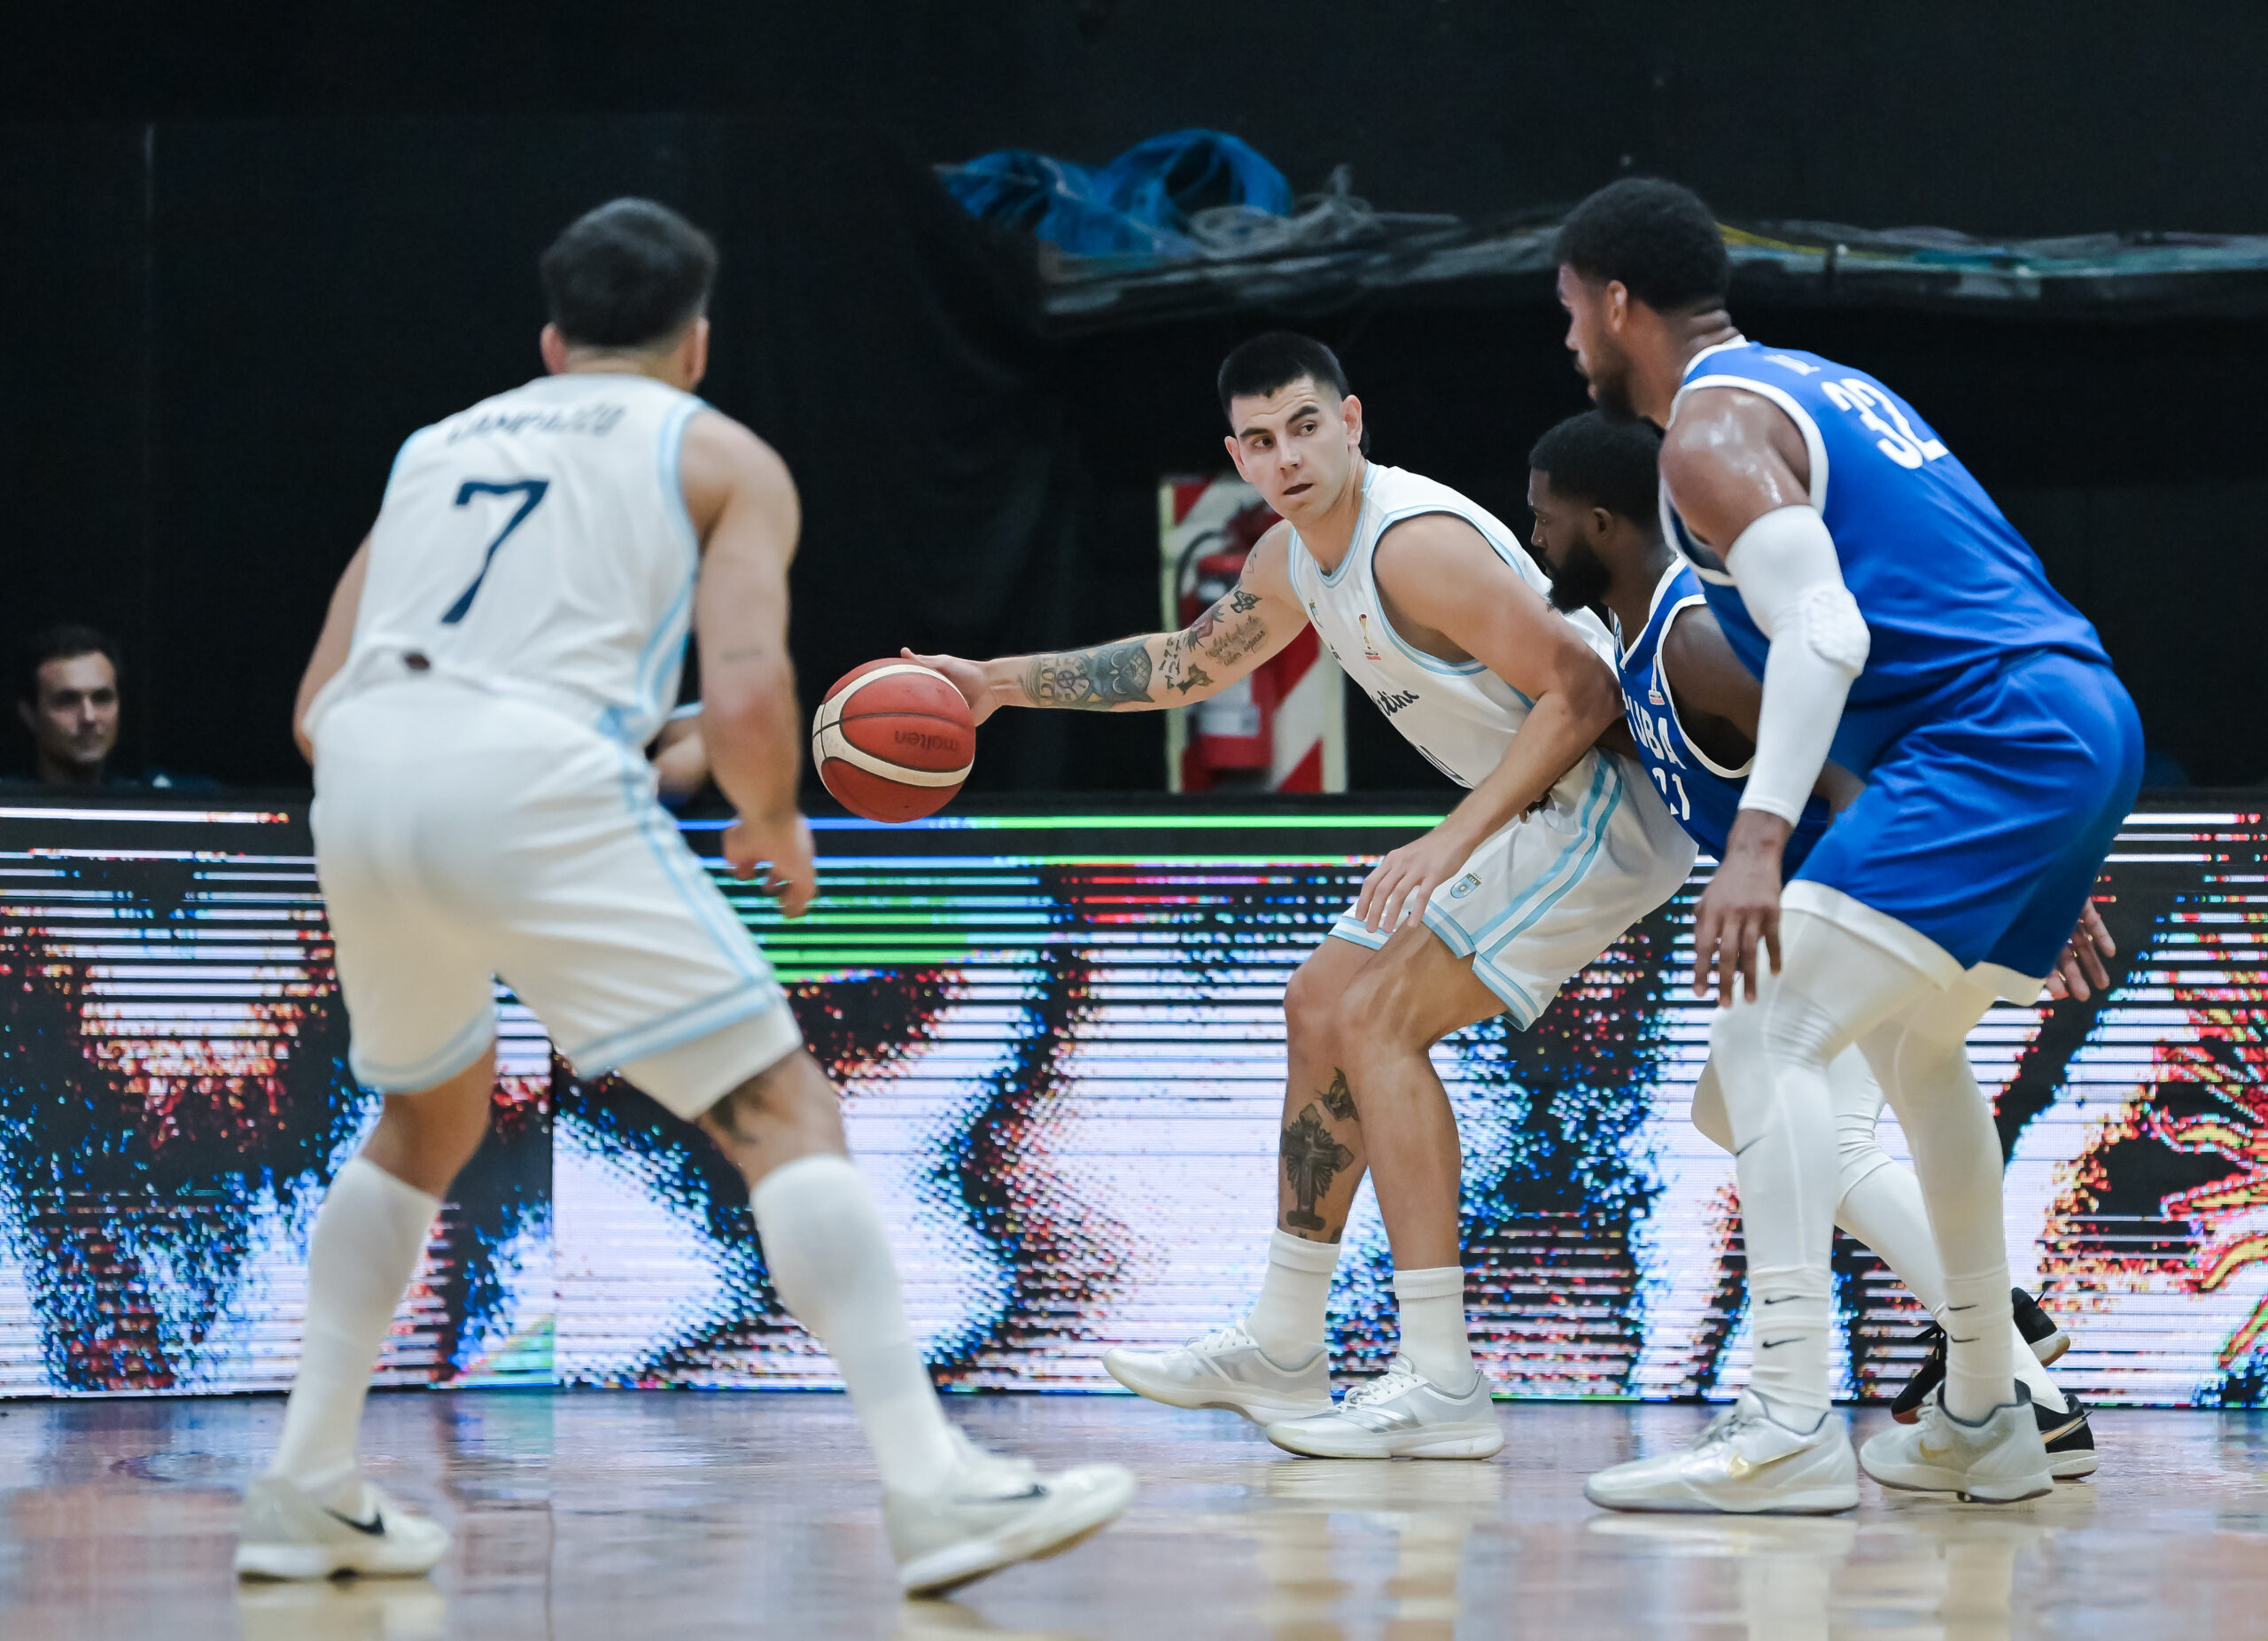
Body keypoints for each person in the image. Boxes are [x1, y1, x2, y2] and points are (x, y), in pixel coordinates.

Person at [242, 198, 1133, 1590]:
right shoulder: (718, 454)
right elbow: (750, 686)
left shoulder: (431, 453)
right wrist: (769, 817)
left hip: (363, 785)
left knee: (426, 1118)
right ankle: (933, 1487)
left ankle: (303, 1486)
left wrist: (609, 747)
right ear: (697, 342)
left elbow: (318, 708)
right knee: (783, 1111)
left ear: (552, 340)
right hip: (534, 784)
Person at [907, 331, 1697, 1460]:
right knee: (1321, 1002)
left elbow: (1586, 691)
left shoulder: (1412, 546)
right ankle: (1282, 1344)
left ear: (1351, 422)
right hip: (1528, 806)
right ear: (1238, 456)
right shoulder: (1287, 559)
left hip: (1603, 809)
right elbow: (1184, 663)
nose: (1288, 456)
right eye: (1262, 440)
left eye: (1306, 427)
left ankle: (1442, 1383)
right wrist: (993, 683)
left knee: (1377, 1022)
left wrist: (1451, 838)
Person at [1552, 180, 2141, 1511]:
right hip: (2069, 715)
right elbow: (1964, 589)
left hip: (1993, 738)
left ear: (1618, 302)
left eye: (1571, 309)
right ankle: (1986, 1411)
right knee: (1917, 1052)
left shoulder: (1706, 434)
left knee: (1766, 1036)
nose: (1570, 339)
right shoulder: (1826, 385)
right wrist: (2054, 815)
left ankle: (1785, 1428)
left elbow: (1830, 633)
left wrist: (1758, 842)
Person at [15, 625, 122, 787]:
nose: (89, 717)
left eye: (102, 698)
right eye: (67, 701)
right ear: (30, 714)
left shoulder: (152, 798)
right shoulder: (7, 799)